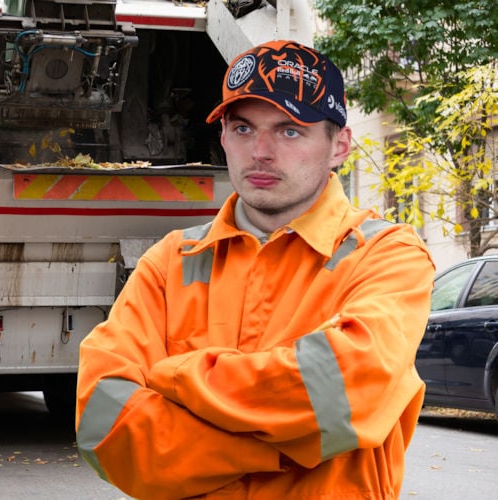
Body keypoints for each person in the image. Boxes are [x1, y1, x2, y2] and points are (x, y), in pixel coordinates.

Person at [76, 40, 435, 499]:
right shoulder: (170, 261)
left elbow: (341, 396)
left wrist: (176, 377)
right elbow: (104, 429)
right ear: (223, 137)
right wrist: (281, 448)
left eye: (290, 131)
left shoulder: (386, 254)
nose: (260, 151)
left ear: (339, 145)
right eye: (243, 128)